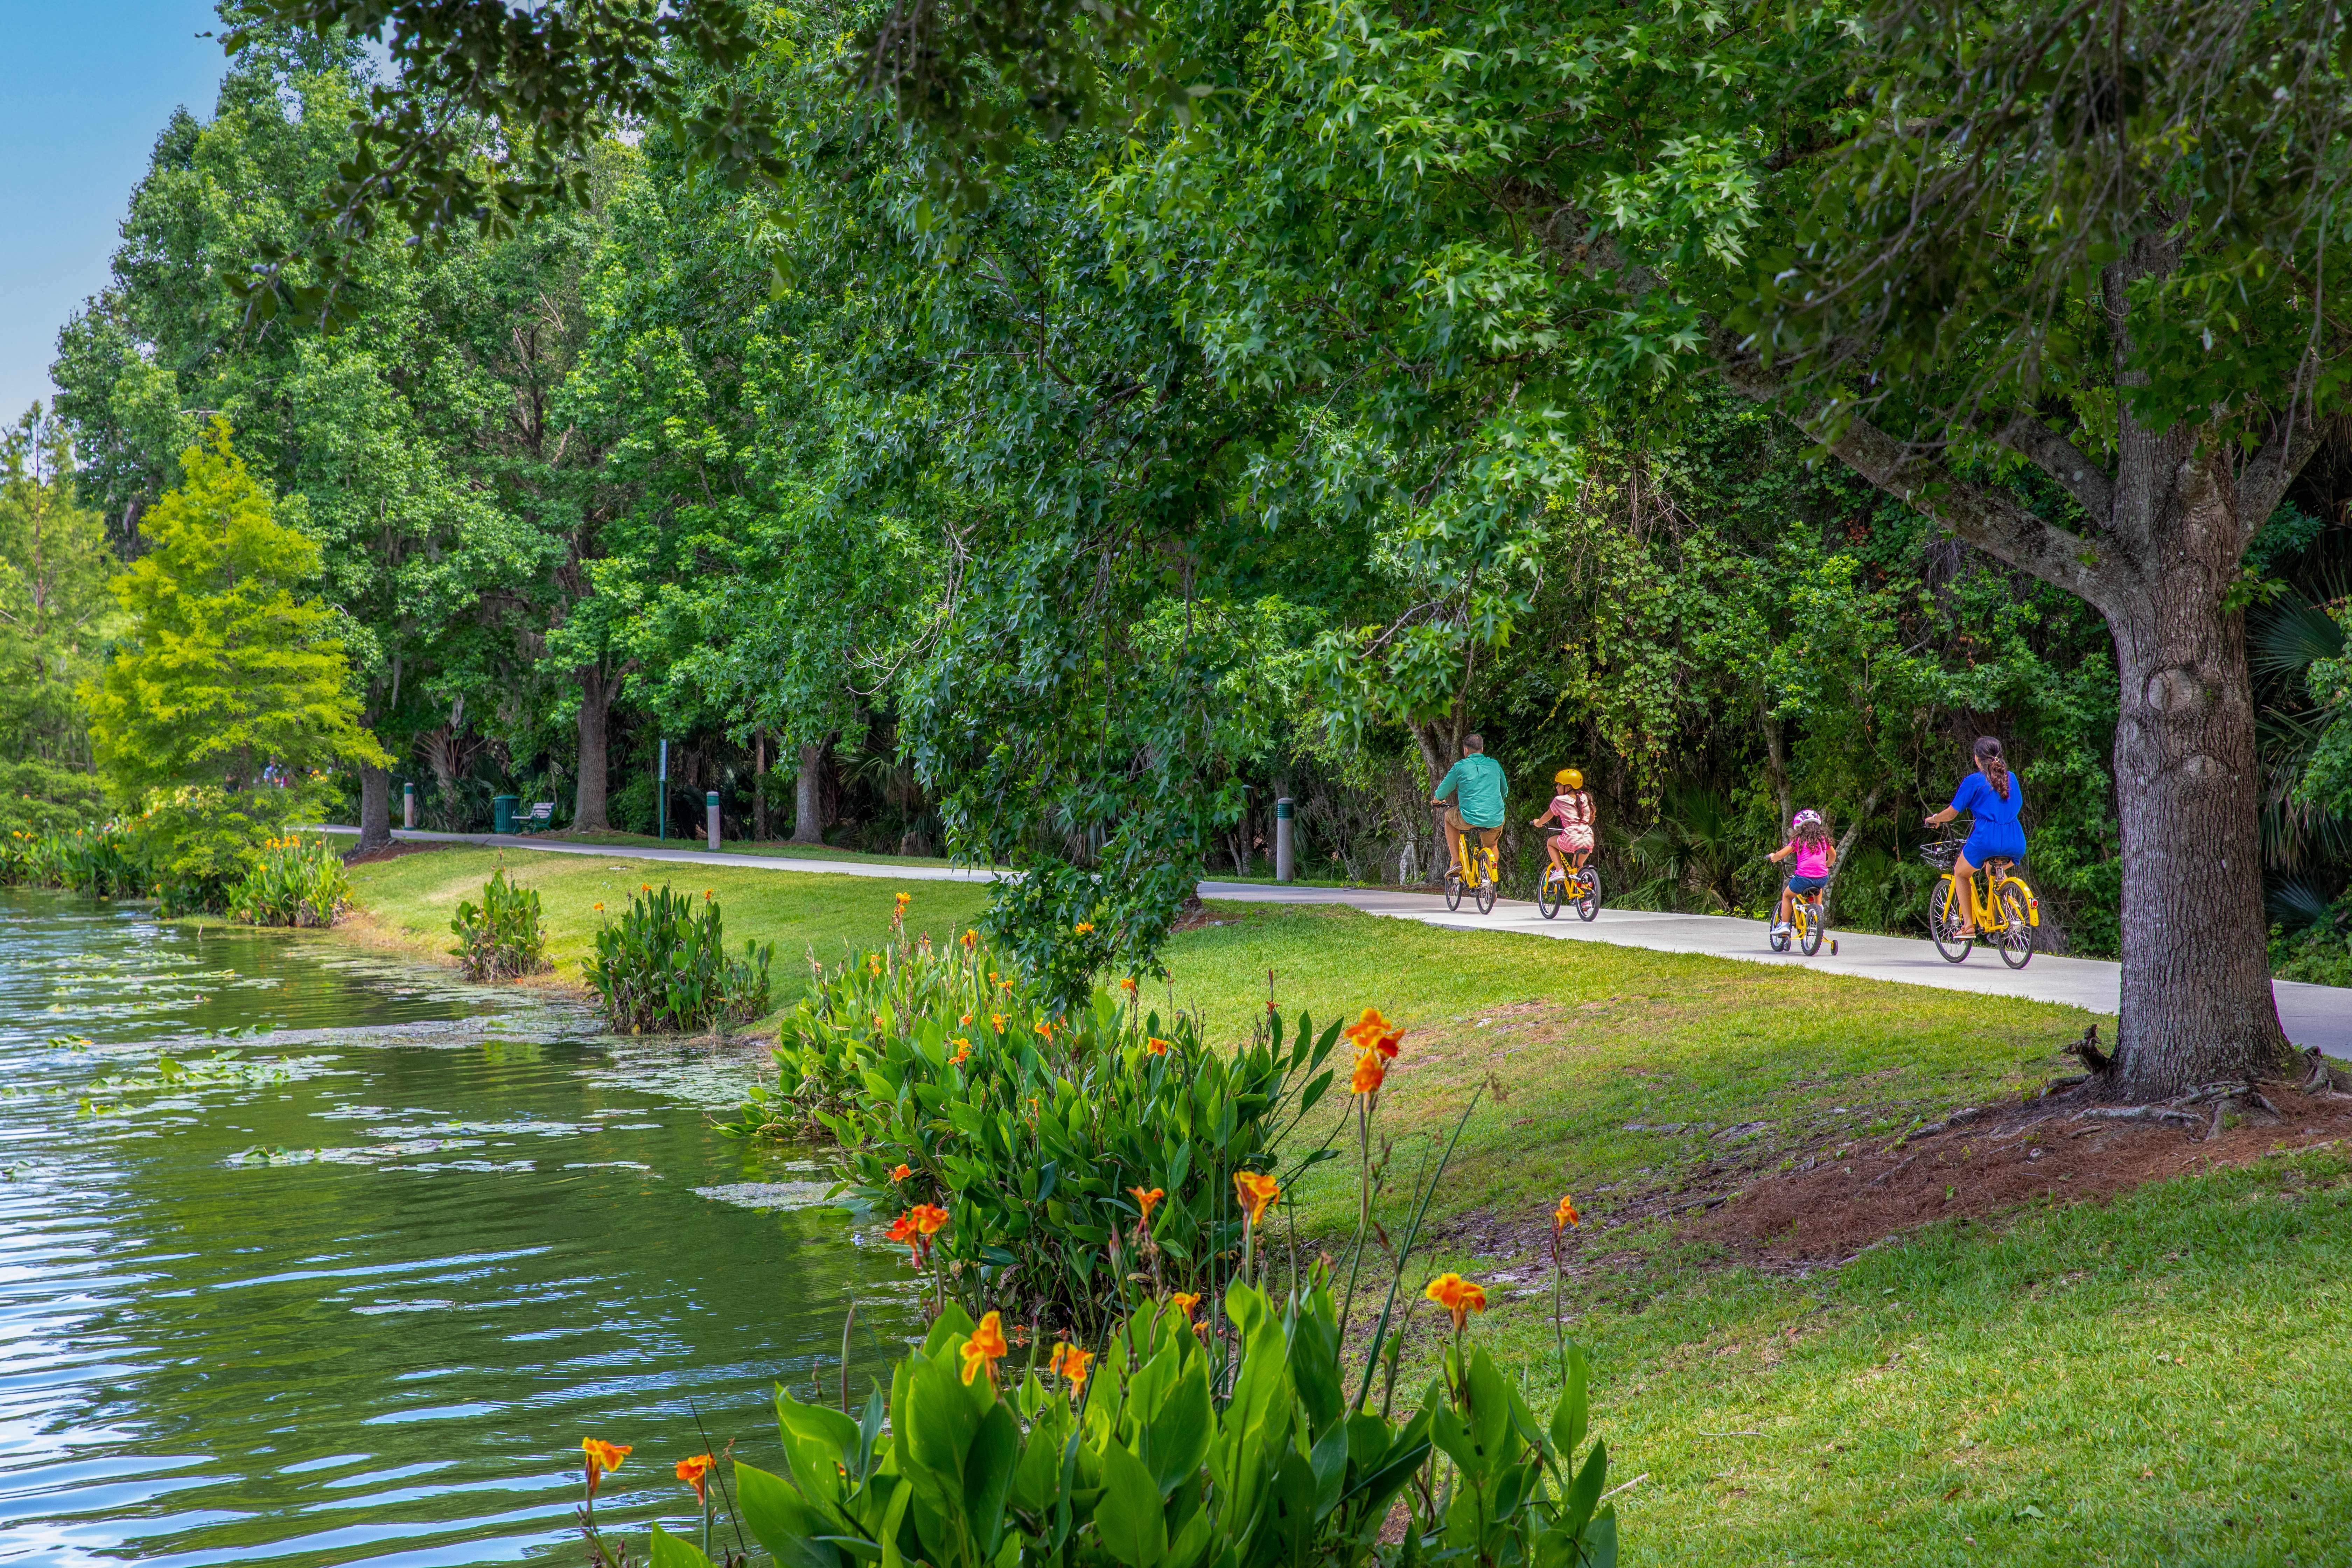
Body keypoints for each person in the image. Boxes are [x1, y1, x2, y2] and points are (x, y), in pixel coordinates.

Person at [1924, 735, 2027, 938]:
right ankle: (2009, 910)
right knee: (1993, 870)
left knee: (1961, 873)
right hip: (2015, 839)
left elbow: (1953, 813)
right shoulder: (2012, 778)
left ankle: (1969, 925)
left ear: (1977, 759)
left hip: (1985, 839)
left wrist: (1936, 818)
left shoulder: (1974, 782)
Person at [1430, 734, 1508, 880]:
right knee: (1492, 846)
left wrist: (1436, 801)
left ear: (1466, 750)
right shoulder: (1495, 765)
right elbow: (1504, 791)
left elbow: (1442, 791)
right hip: (1495, 818)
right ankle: (1490, 883)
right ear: (1482, 749)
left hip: (1468, 818)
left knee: (1448, 817)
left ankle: (1456, 862)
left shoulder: (1460, 767)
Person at [1765, 809, 1836, 936]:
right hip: (1822, 878)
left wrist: (1773, 857)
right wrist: (1827, 865)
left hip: (1803, 878)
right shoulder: (1823, 839)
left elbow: (1781, 855)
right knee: (1818, 887)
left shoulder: (1799, 840)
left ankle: (1785, 925)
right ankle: (1817, 913)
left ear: (1802, 826)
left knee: (1787, 896)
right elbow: (1833, 855)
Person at [1530, 768, 1596, 885]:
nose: (1557, 787)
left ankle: (1559, 871)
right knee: (1578, 868)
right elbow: (1590, 821)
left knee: (1551, 842)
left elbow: (1547, 816)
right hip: (1588, 839)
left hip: (1571, 838)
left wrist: (1538, 823)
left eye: (1560, 784)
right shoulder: (1586, 798)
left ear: (1569, 787)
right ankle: (1585, 898)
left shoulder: (1559, 800)